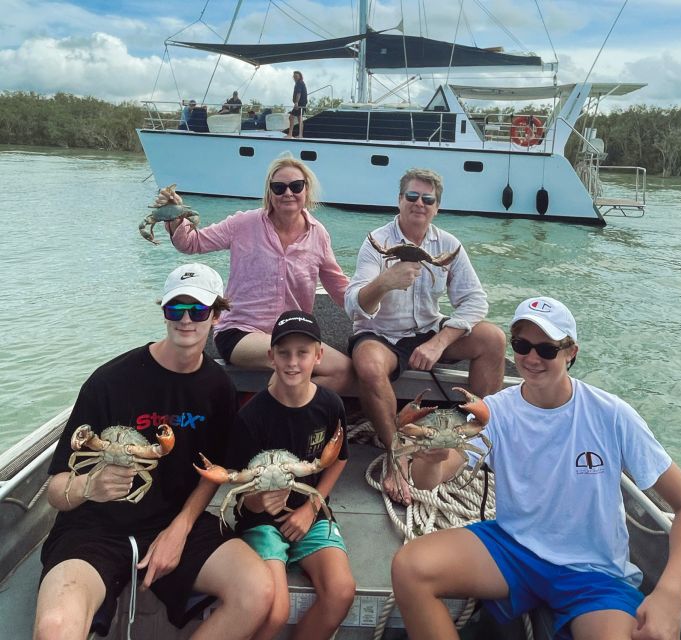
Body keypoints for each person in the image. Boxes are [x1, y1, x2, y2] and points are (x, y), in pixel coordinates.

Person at [391, 296, 681, 640]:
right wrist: (430, 458)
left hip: (593, 571)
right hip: (516, 547)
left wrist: (670, 595)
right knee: (410, 568)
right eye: (522, 345)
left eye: (547, 349)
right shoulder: (494, 412)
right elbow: (433, 479)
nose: (531, 358)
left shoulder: (612, 415)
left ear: (571, 351)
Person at [33, 263, 274, 640]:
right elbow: (54, 490)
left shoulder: (217, 388)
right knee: (55, 627)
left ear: (216, 315)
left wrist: (180, 528)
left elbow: (212, 470)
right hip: (93, 529)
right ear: (163, 311)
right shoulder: (109, 381)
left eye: (197, 310)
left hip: (172, 520)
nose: (186, 320)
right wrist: (89, 487)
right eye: (175, 309)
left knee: (256, 592)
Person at [344, 167, 505, 504]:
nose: (419, 203)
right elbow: (354, 307)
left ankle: (465, 435)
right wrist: (385, 282)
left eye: (427, 199)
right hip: (382, 334)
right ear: (399, 201)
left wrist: (440, 340)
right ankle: (397, 453)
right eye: (412, 196)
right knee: (370, 365)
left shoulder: (448, 245)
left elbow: (475, 300)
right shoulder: (377, 242)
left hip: (429, 330)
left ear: (436, 207)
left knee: (493, 339)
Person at [162, 154, 354, 394]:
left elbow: (339, 287)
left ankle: (284, 412)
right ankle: (270, 416)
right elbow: (192, 243)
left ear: (307, 190)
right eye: (279, 187)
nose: (288, 193)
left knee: (344, 370)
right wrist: (174, 216)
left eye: (296, 186)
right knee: (289, 361)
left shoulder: (319, 234)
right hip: (240, 331)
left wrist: (374, 317)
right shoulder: (243, 224)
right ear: (269, 192)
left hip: (292, 331)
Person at [224, 310, 355, 640]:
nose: (293, 362)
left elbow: (338, 458)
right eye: (284, 353)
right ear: (271, 357)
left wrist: (310, 508)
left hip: (311, 511)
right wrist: (262, 501)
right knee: (275, 611)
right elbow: (242, 497)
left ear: (319, 355)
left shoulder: (330, 405)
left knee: (340, 591)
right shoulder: (250, 418)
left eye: (303, 352)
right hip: (261, 522)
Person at [288, 71, 307, 138]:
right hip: (302, 103)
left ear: (299, 76)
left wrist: (296, 103)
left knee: (291, 117)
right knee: (299, 119)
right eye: (294, 76)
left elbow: (299, 93)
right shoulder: (300, 83)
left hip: (300, 104)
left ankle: (290, 134)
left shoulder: (299, 83)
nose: (295, 77)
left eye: (296, 76)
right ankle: (300, 135)